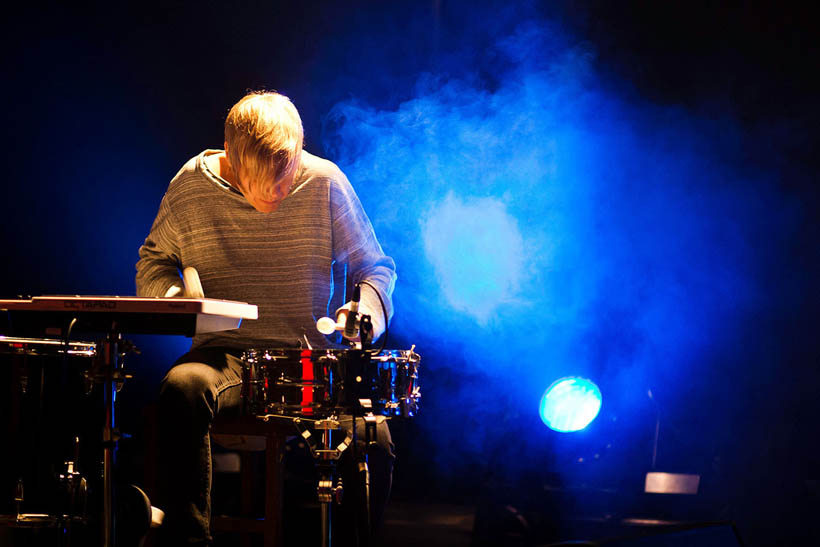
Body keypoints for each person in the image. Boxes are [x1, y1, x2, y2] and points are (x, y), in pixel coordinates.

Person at [135, 91, 397, 546]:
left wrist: (365, 313)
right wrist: (176, 299)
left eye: (286, 172)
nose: (280, 189)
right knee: (182, 388)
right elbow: (154, 261)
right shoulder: (191, 185)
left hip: (309, 363)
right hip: (226, 358)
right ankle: (186, 540)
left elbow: (375, 267)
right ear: (233, 159)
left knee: (373, 439)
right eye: (267, 178)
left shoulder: (325, 181)